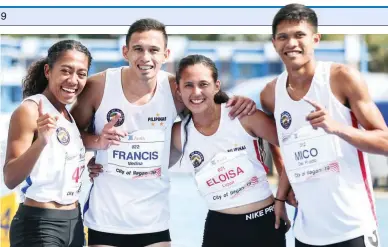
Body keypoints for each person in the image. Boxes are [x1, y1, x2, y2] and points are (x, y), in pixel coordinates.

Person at [70, 18, 256, 247]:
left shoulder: (175, 89)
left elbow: (212, 105)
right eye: (138, 49)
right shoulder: (98, 86)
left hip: (154, 222)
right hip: (105, 220)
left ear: (166, 54)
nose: (145, 57)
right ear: (125, 51)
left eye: (154, 50)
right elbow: (70, 134)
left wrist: (240, 100)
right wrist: (96, 143)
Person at [260, 3, 388, 247]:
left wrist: (336, 127)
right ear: (274, 42)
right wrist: (280, 196)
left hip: (353, 228)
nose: (291, 43)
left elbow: (385, 141)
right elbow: (285, 145)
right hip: (306, 233)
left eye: (300, 35)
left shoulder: (341, 78)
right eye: (283, 37)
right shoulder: (270, 94)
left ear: (315, 39)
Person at [169, 54, 290, 247]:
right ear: (178, 90)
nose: (196, 92)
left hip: (263, 224)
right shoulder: (179, 134)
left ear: (217, 86)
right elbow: (149, 167)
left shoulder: (243, 116)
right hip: (219, 228)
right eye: (188, 85)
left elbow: (293, 144)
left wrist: (282, 196)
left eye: (203, 84)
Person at [3, 40, 92, 247]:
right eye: (66, 71)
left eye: (81, 74)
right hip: (39, 224)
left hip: (74, 223)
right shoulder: (30, 111)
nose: (73, 80)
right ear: (47, 71)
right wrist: (41, 141)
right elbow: (10, 178)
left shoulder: (66, 115)